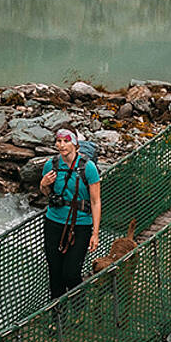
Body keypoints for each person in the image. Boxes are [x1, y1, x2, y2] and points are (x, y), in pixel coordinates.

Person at [39, 129, 100, 301]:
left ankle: (79, 305)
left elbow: (96, 202)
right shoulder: (51, 165)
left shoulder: (88, 168)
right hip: (53, 222)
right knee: (55, 272)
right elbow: (46, 193)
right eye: (58, 141)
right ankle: (57, 316)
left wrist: (95, 233)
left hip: (81, 225)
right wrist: (43, 184)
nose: (61, 145)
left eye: (66, 141)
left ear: (75, 143)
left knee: (71, 273)